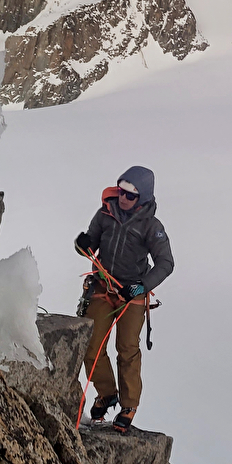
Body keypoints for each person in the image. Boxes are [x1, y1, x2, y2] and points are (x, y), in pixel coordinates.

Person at [74, 165, 174, 433]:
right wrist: (82, 244)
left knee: (127, 350)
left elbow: (165, 263)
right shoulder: (105, 214)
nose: (123, 197)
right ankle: (107, 393)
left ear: (142, 198)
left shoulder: (152, 227)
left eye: (130, 195)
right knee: (89, 344)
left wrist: (141, 287)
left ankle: (129, 405)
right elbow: (90, 243)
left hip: (132, 295)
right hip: (103, 287)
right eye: (121, 191)